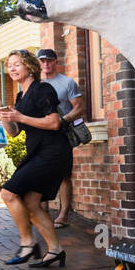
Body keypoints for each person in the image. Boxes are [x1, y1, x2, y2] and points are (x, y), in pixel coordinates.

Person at [0, 49, 70, 267]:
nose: (12, 69)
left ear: (29, 67)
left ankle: (28, 243)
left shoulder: (43, 89)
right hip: (37, 152)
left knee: (8, 193)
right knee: (32, 203)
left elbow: (54, 123)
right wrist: (0, 111)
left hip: (52, 152)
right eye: (9, 65)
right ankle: (55, 250)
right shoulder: (21, 96)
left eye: (17, 64)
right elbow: (14, 132)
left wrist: (20, 115)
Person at [36, 48, 83, 228]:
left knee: (63, 175)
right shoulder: (36, 84)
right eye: (42, 61)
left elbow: (78, 107)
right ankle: (44, 213)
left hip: (61, 134)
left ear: (56, 62)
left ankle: (63, 214)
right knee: (40, 173)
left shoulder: (67, 82)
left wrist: (63, 120)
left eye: (49, 60)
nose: (46, 64)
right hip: (40, 134)